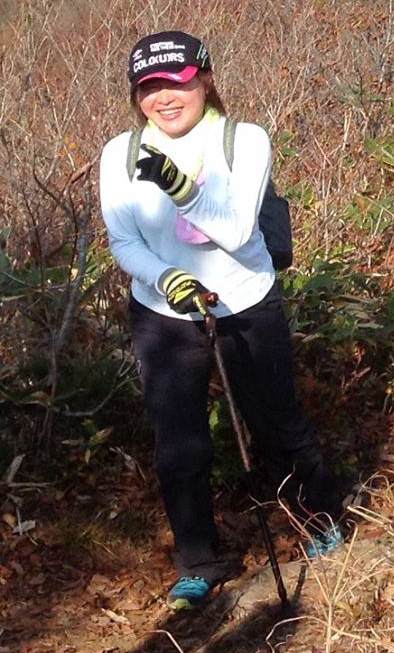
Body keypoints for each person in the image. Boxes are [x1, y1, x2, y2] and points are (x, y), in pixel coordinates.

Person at [97, 30, 346, 609]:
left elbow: (236, 232)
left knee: (276, 422)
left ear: (204, 79)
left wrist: (181, 188)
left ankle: (320, 520)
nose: (164, 96)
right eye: (149, 86)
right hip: (164, 313)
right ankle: (199, 561)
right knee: (178, 443)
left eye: (177, 81)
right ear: (137, 95)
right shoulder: (120, 154)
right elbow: (122, 241)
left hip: (245, 300)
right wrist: (166, 277)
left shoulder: (246, 141)